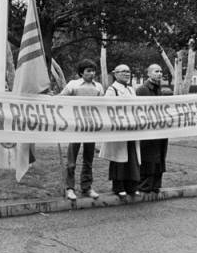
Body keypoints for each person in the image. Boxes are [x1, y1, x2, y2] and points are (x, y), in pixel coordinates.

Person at [59, 59, 104, 200]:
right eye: (88, 71)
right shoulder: (73, 85)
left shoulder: (98, 87)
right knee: (71, 161)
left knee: (88, 160)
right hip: (75, 127)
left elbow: (102, 105)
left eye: (93, 71)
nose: (92, 73)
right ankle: (70, 188)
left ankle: (87, 187)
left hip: (91, 127)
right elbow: (61, 99)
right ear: (81, 72)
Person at [99, 64, 140, 198]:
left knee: (132, 158)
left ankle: (132, 186)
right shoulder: (112, 90)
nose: (127, 74)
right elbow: (107, 108)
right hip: (119, 129)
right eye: (123, 71)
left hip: (132, 129)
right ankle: (119, 186)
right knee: (119, 159)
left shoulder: (131, 90)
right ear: (115, 74)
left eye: (128, 71)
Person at [136, 64, 168, 194]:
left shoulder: (162, 90)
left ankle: (156, 184)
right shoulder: (141, 90)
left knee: (160, 157)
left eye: (161, 71)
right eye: (156, 71)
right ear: (148, 74)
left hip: (161, 130)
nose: (159, 73)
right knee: (148, 158)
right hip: (148, 130)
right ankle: (145, 185)